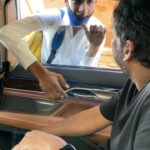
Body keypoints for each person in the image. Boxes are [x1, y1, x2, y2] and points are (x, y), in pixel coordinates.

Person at [11, 0, 150, 149]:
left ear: (127, 50)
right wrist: (38, 134)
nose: (83, 9)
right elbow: (94, 118)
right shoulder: (134, 86)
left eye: (114, 36)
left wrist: (60, 148)